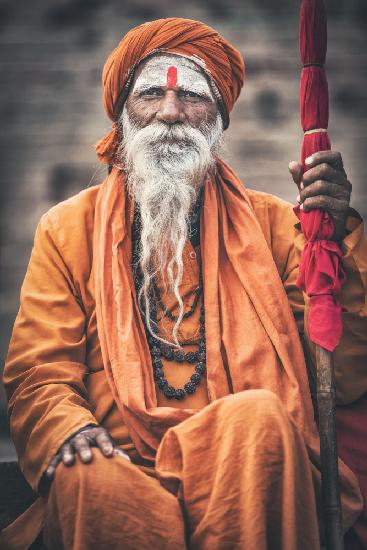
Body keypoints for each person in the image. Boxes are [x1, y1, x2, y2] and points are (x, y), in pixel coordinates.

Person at [2, 17, 366, 550]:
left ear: (219, 119)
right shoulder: (66, 229)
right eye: (151, 92)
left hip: (243, 469)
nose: (171, 114)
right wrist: (66, 430)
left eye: (192, 97)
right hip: (117, 462)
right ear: (123, 111)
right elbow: (39, 370)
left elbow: (346, 375)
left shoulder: (279, 226)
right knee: (87, 477)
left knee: (258, 418)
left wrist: (337, 240)